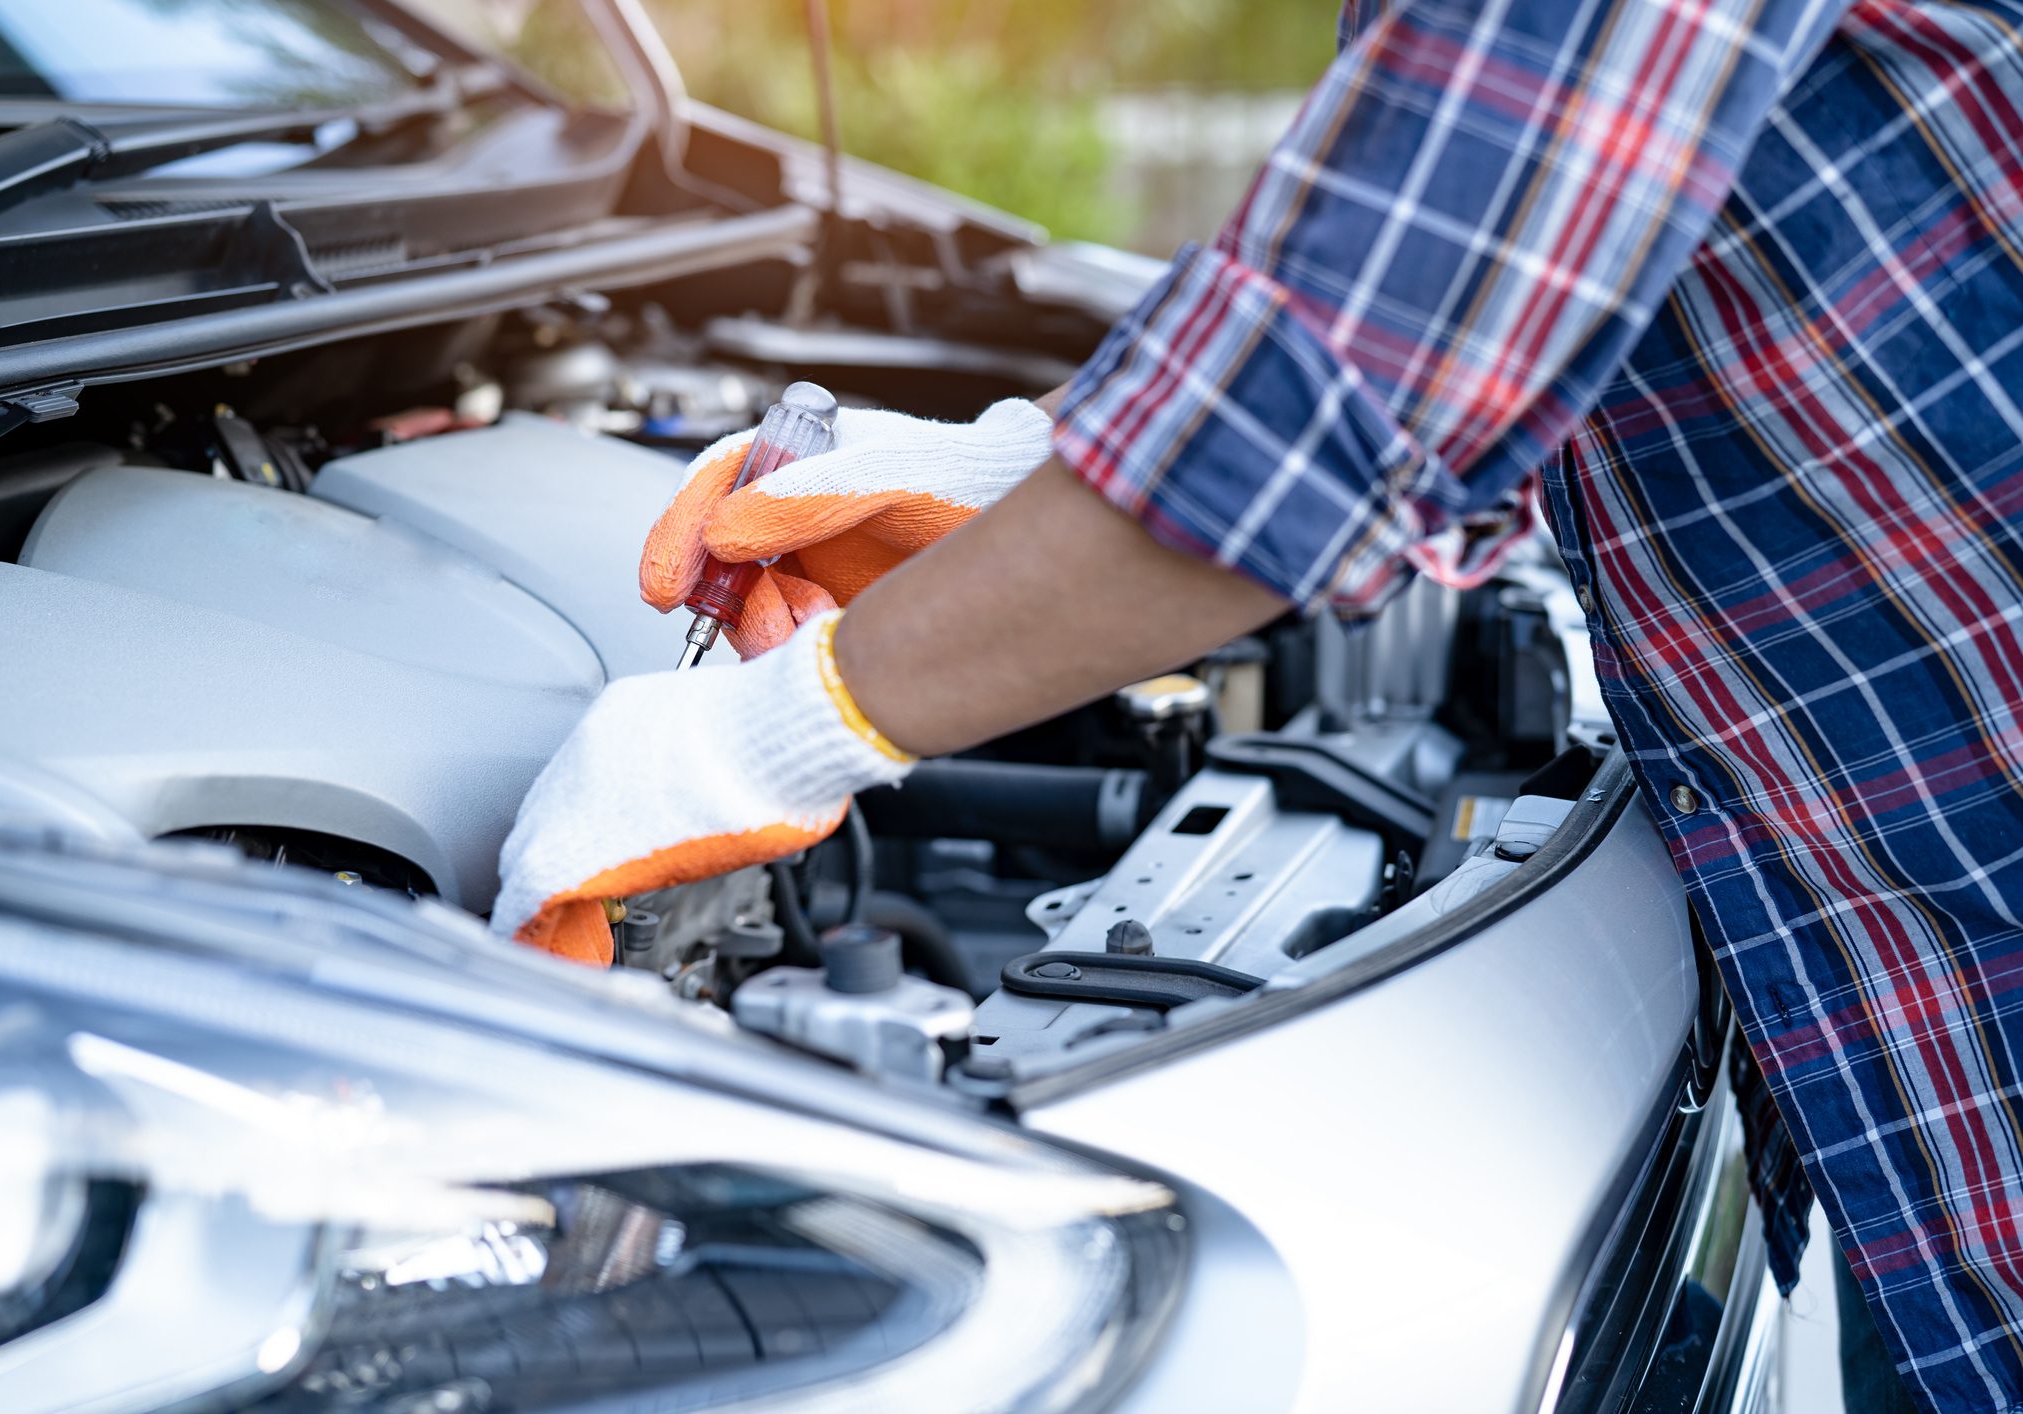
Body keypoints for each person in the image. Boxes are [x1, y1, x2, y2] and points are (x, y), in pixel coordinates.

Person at [491, 0, 2023, 1404]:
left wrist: (764, 736)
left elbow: (1346, 397)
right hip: (1923, 1058)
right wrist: (1004, 472)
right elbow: (1454, 268)